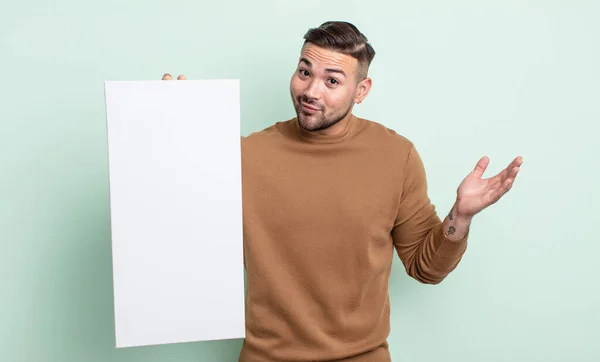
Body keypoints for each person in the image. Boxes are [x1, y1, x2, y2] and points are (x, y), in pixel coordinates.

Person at [162, 21, 522, 362]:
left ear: (360, 91)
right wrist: (167, 121)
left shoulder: (396, 156)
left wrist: (460, 216)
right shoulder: (244, 155)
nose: (310, 91)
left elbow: (426, 268)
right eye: (304, 72)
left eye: (331, 81)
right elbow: (178, 226)